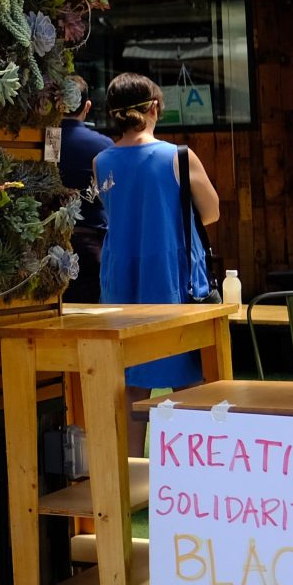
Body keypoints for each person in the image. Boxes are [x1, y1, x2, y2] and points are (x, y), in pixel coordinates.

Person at [92, 72, 221, 391]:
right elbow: (212, 211)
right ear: (154, 108)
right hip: (171, 275)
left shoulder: (100, 161)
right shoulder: (178, 156)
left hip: (121, 277)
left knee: (130, 380)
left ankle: (131, 446)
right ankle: (187, 442)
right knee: (189, 381)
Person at [56, 84, 112, 303]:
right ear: (87, 106)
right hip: (91, 240)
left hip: (46, 241)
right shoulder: (103, 144)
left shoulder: (40, 139)